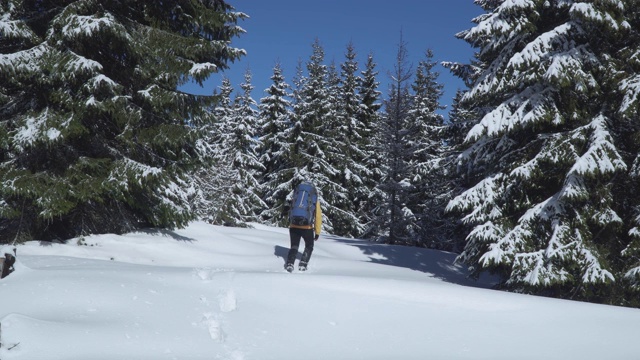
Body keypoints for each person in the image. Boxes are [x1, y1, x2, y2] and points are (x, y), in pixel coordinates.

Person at [286, 182, 322, 272]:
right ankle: (303, 263)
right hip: (307, 227)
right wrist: (317, 232)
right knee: (309, 246)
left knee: (294, 246)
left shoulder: (297, 195)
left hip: (294, 225)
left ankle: (290, 263)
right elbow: (318, 216)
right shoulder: (313, 199)